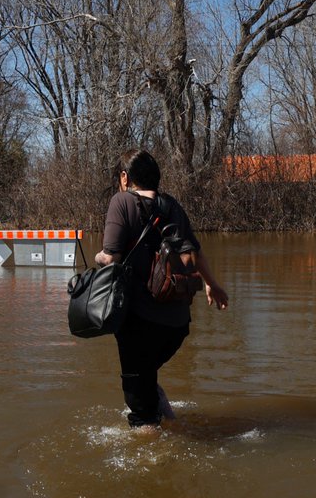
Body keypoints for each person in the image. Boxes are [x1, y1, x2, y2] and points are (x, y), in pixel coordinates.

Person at [94, 149, 229, 427]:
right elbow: (196, 251)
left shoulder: (121, 202)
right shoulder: (171, 205)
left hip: (139, 323)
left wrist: (98, 258)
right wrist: (212, 285)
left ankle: (153, 459)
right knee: (146, 379)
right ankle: (168, 418)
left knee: (139, 408)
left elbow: (111, 257)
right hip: (176, 326)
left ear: (125, 177)